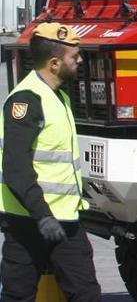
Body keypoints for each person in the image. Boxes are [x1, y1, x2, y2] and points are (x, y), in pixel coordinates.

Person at [1, 23, 101, 302]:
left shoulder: (59, 97)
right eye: (74, 57)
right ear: (55, 63)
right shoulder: (27, 100)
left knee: (86, 294)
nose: (80, 61)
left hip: (65, 221)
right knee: (18, 295)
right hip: (28, 221)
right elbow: (15, 167)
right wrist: (42, 215)